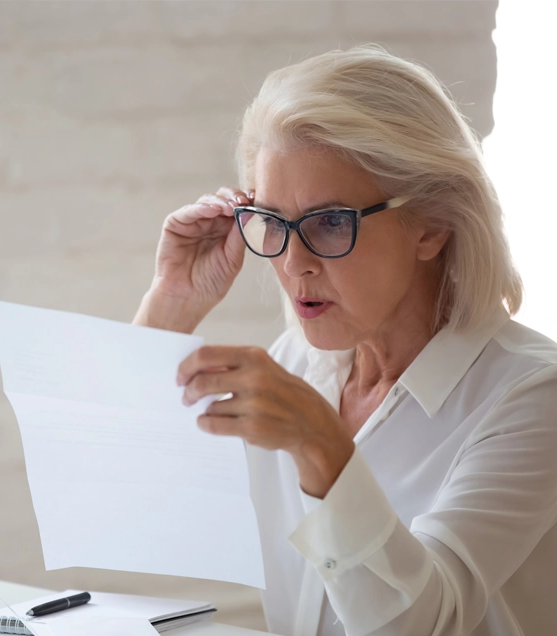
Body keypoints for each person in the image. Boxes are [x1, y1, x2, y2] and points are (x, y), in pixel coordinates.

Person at [134, 44, 557, 636]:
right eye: (275, 222)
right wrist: (172, 304)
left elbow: (422, 622)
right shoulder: (300, 366)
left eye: (331, 221)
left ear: (432, 223)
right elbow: (130, 503)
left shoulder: (533, 396)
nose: (294, 262)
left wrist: (323, 449)